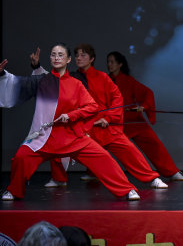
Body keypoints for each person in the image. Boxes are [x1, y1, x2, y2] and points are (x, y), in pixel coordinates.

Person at [0, 43, 140, 201]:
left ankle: (127, 189)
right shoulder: (41, 81)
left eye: (60, 55)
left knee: (104, 158)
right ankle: (14, 190)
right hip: (44, 137)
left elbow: (92, 106)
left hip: (72, 137)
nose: (56, 57)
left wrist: (71, 115)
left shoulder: (76, 84)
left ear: (68, 60)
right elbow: (16, 83)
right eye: (53, 54)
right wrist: (2, 74)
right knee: (21, 158)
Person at [36, 44, 167, 190]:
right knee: (59, 144)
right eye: (77, 55)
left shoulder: (102, 77)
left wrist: (108, 118)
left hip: (106, 126)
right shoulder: (72, 78)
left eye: (83, 55)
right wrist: (36, 66)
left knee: (129, 150)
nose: (79, 58)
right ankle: (59, 179)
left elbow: (117, 97)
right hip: (85, 128)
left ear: (91, 59)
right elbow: (51, 81)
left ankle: (152, 178)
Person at [107, 51, 183, 181]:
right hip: (114, 121)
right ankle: (93, 174)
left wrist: (143, 107)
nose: (109, 65)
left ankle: (172, 171)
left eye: (112, 62)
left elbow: (146, 93)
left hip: (132, 120)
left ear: (120, 64)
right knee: (99, 146)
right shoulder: (106, 80)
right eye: (108, 62)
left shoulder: (128, 80)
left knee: (154, 144)